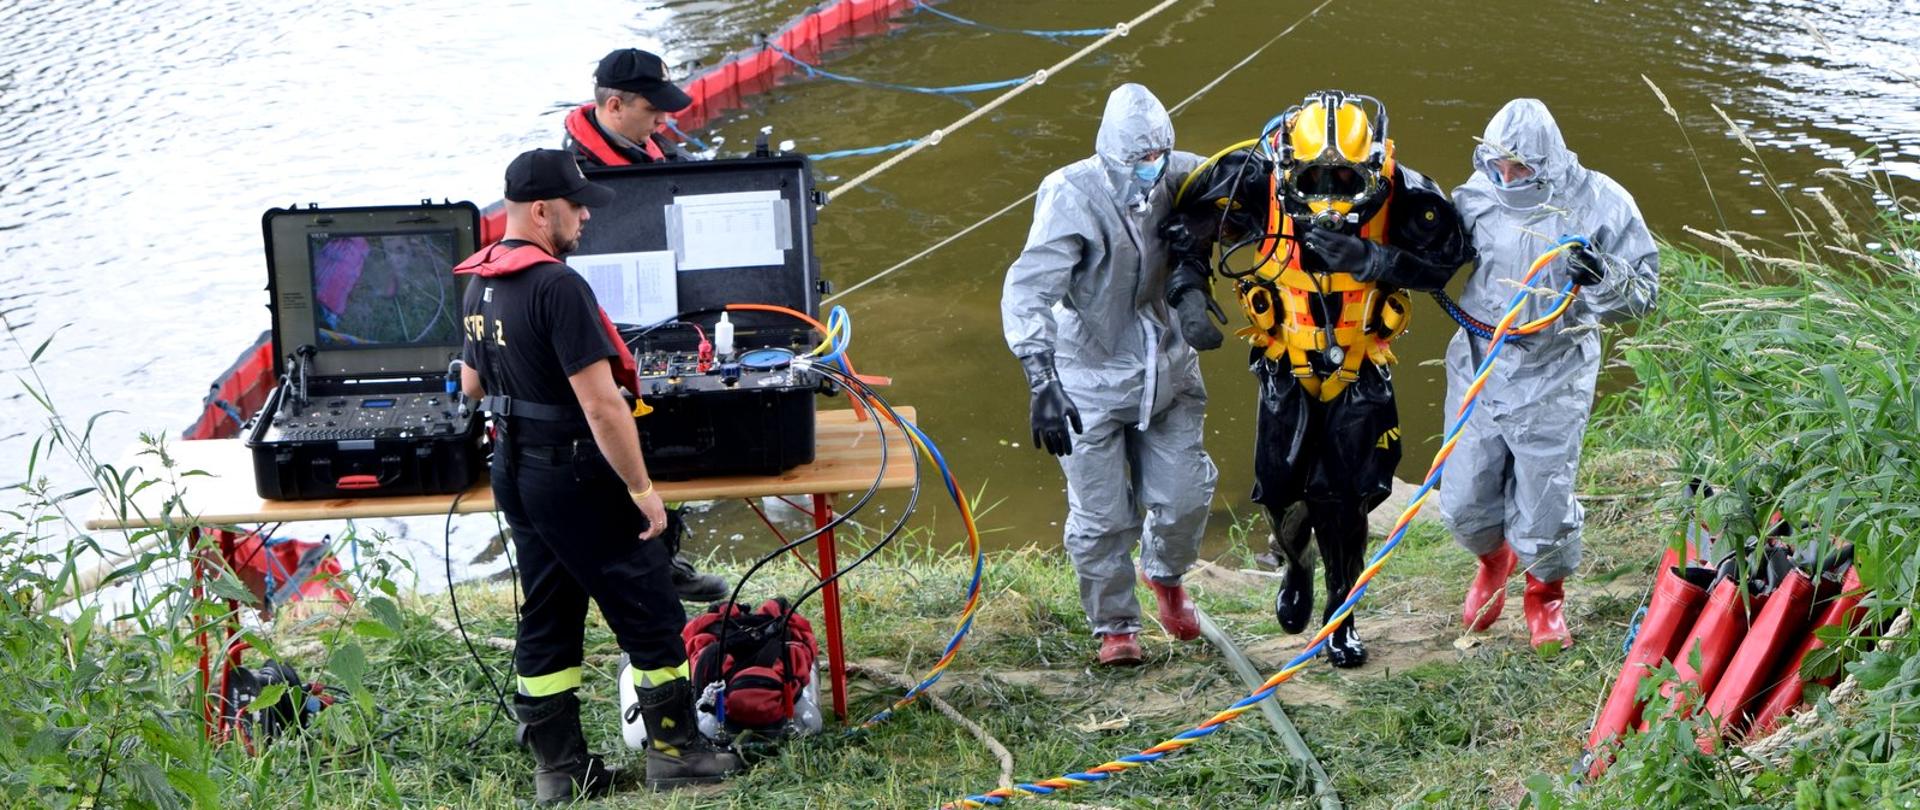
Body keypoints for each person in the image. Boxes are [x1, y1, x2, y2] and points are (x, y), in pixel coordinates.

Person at [457, 149, 741, 803]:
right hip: (574, 473)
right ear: (541, 210)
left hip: (515, 469)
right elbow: (602, 405)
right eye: (576, 205)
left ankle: (560, 771)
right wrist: (643, 492)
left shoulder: (481, 283)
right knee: (649, 606)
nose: (585, 216)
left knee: (548, 609)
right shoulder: (557, 286)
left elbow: (472, 384)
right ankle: (677, 753)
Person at [1165, 90, 1474, 668]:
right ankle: (1295, 563)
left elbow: (1450, 258)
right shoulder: (1253, 180)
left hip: (1361, 364)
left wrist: (1376, 262)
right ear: (1289, 167)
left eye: (1346, 180)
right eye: (1314, 180)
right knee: (1279, 488)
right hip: (1285, 360)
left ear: (1371, 168)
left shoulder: (1405, 194)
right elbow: (1187, 228)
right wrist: (1187, 292)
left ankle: (1341, 614)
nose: (1330, 197)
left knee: (1347, 499)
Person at [1001, 83, 1219, 667]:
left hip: (1169, 366)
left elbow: (1251, 187)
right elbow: (1029, 289)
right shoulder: (1070, 194)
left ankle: (1165, 576)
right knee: (1101, 515)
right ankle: (1116, 625)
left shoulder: (1182, 174)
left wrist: (1210, 221)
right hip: (1089, 376)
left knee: (1184, 496)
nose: (1153, 165)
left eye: (1160, 154)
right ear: (1113, 153)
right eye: (1140, 158)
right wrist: (1041, 378)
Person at [1443, 99, 1659, 655]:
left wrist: (1602, 276)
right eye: (1496, 167)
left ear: (1546, 161)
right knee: (1463, 497)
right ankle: (1492, 562)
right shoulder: (1476, 197)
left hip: (1554, 370)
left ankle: (1545, 596)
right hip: (1481, 361)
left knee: (1544, 497)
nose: (1506, 178)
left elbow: (1643, 295)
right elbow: (1441, 255)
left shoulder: (1599, 203)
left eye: (1518, 168)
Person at [566, 47, 697, 166]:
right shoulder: (579, 175)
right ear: (615, 107)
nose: (663, 120)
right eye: (652, 109)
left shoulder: (651, 142)